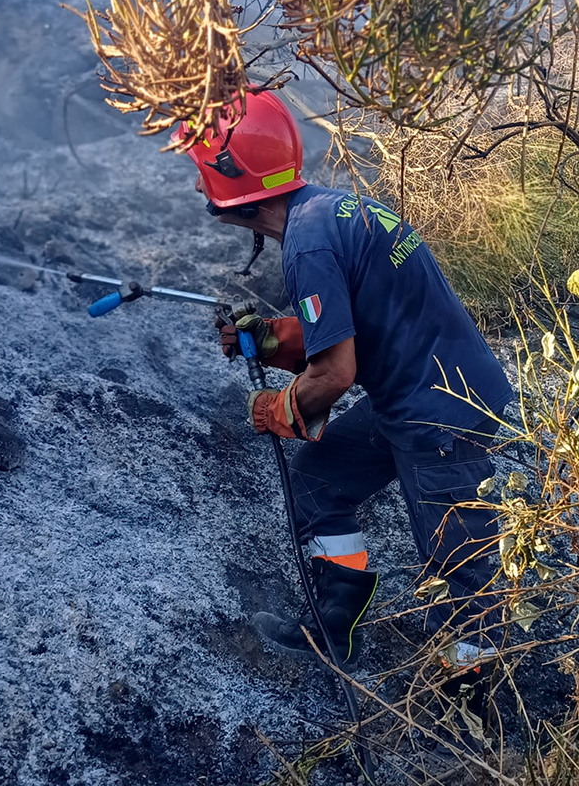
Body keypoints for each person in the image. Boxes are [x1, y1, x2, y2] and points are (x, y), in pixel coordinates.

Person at [172, 88, 513, 681]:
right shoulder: (326, 212)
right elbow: (355, 325)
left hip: (443, 409)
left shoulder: (308, 243)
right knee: (319, 479)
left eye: (200, 171)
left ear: (230, 178)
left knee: (458, 556)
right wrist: (277, 338)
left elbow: (336, 373)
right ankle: (337, 621)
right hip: (418, 393)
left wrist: (277, 408)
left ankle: (470, 695)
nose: (198, 185)